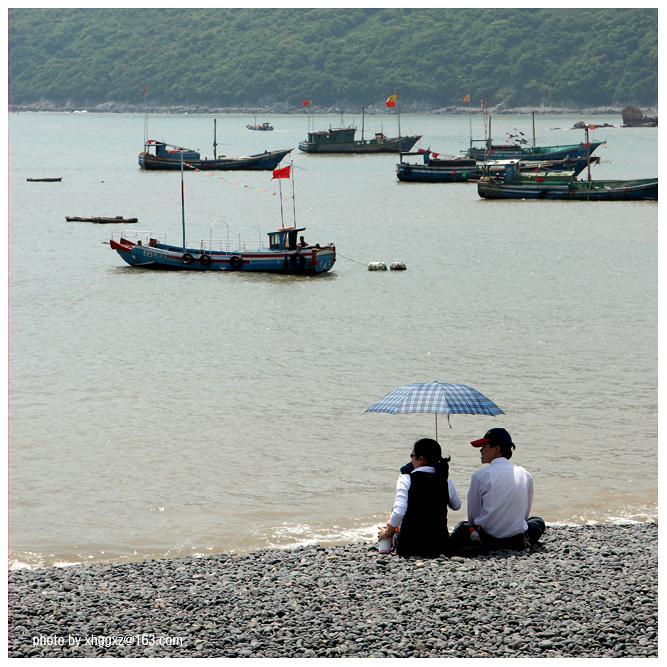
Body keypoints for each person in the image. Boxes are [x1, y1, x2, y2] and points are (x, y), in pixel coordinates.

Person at [450, 428, 545, 554]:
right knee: (538, 521)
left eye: (484, 446)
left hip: (487, 539)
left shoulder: (480, 476)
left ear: (496, 449)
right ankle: (524, 540)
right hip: (516, 539)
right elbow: (524, 515)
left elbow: (472, 517)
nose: (481, 450)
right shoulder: (525, 474)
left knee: (464, 526)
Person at [377, 438, 461, 558]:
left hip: (410, 546)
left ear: (420, 459)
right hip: (440, 546)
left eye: (412, 455)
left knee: (394, 511)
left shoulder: (406, 478)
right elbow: (456, 506)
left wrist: (388, 532)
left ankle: (386, 541)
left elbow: (399, 510)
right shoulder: (446, 481)